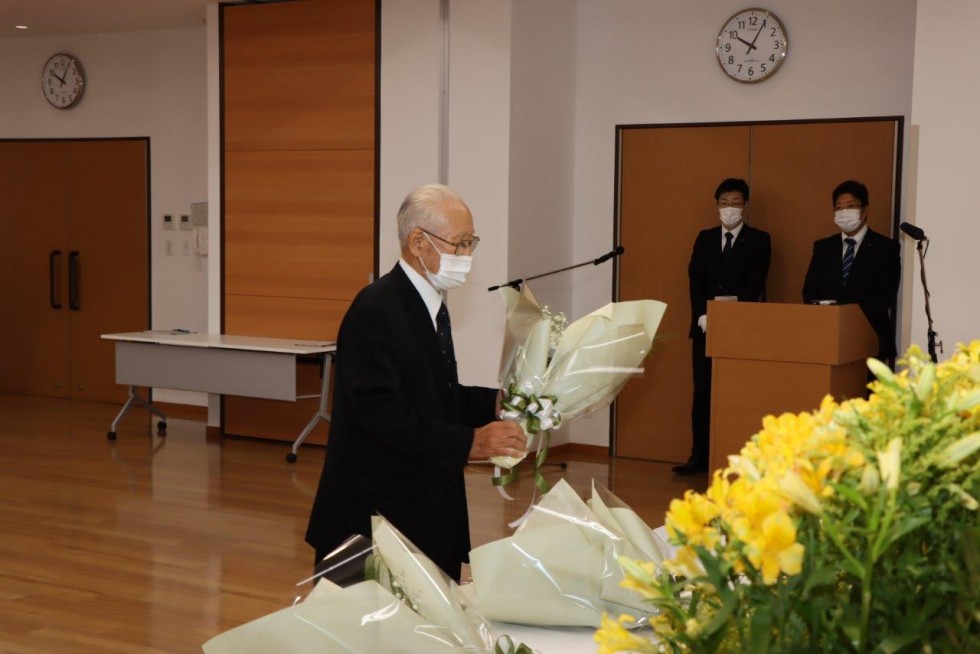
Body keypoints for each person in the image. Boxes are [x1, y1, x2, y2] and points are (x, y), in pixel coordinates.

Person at [305, 184, 527, 582]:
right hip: (373, 521)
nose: (467, 256)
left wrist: (495, 402)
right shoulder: (375, 309)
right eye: (459, 244)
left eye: (471, 243)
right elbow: (384, 415)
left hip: (421, 508)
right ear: (418, 242)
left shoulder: (430, 301)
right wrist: (472, 443)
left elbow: (431, 394)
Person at [676, 178, 771, 476]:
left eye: (736, 202)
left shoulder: (759, 239)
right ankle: (698, 456)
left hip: (741, 330)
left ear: (745, 205)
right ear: (716, 205)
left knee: (737, 395)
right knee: (702, 393)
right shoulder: (704, 238)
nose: (729, 208)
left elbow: (755, 284)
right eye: (724, 202)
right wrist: (702, 316)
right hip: (705, 329)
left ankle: (736, 458)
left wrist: (729, 316)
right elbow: (695, 281)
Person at [802, 180, 900, 361]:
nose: (844, 213)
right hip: (827, 337)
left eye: (851, 206)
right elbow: (809, 290)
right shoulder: (823, 247)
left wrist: (848, 318)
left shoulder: (886, 248)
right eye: (839, 208)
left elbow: (885, 295)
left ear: (865, 211)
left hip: (869, 339)